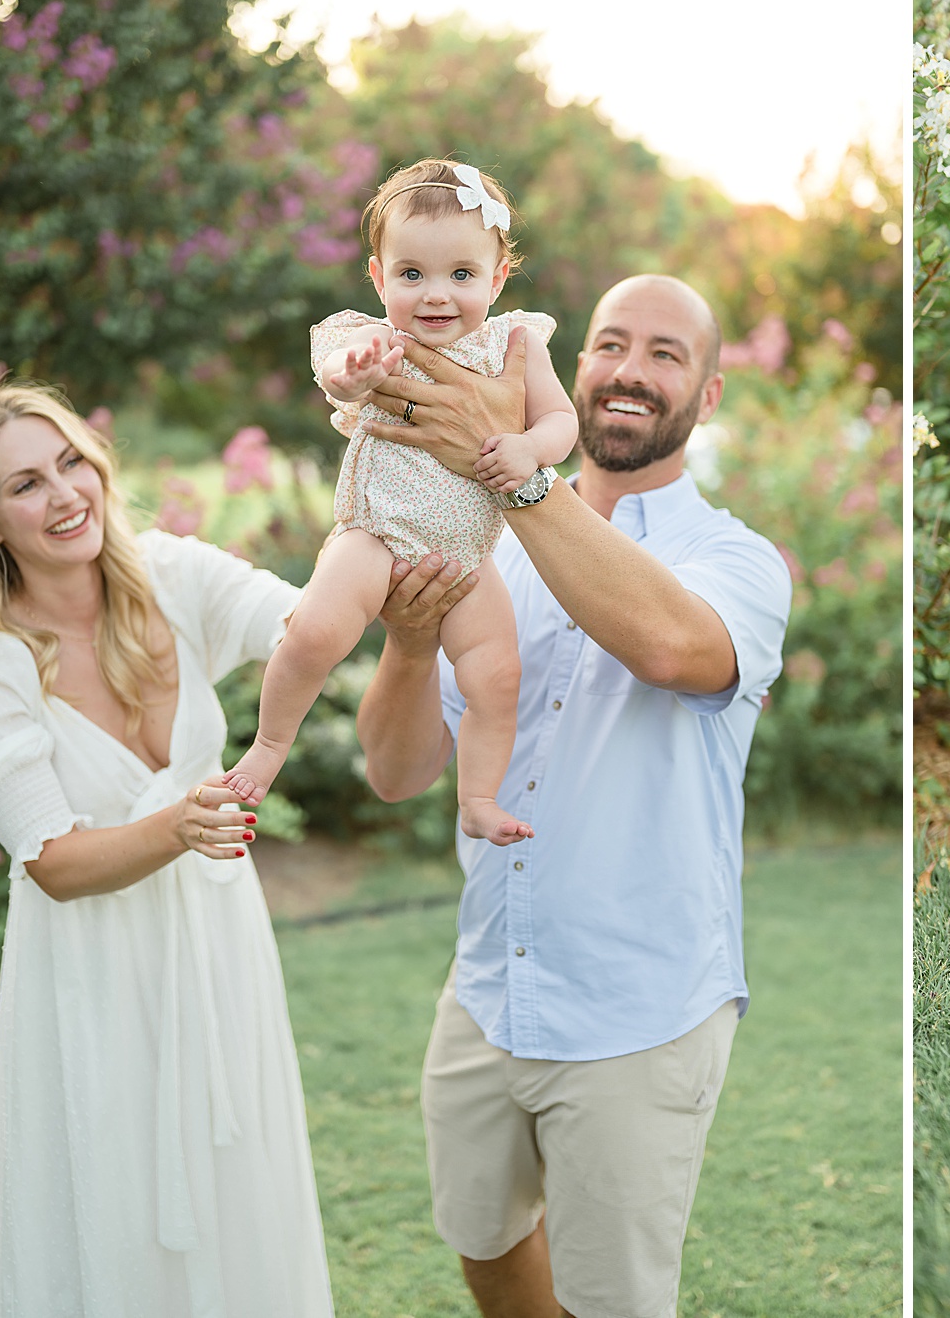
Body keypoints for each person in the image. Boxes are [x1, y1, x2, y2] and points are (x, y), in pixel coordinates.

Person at [352, 274, 792, 1318]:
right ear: (575, 365)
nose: (631, 371)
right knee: (485, 1238)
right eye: (609, 344)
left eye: (666, 354)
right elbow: (396, 770)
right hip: (489, 985)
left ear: (709, 394)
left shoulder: (733, 559)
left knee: (616, 1303)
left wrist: (509, 480)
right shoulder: (486, 546)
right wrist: (410, 645)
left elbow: (674, 645)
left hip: (637, 1009)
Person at [0, 385, 340, 1316]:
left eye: (71, 463)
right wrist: (179, 825)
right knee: (111, 1192)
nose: (63, 495)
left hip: (220, 945)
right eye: (26, 486)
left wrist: (376, 530)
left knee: (237, 1178)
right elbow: (52, 860)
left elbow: (306, 628)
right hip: (93, 972)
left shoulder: (170, 575)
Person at [223, 158, 579, 848]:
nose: (437, 295)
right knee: (315, 634)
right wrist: (357, 371)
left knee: (499, 674)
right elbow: (337, 374)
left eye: (462, 275)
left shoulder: (516, 345)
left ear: (498, 278)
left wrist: (533, 448)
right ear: (380, 278)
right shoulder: (370, 337)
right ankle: (267, 748)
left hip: (468, 557)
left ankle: (476, 797)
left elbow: (562, 422)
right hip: (374, 537)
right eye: (412, 275)